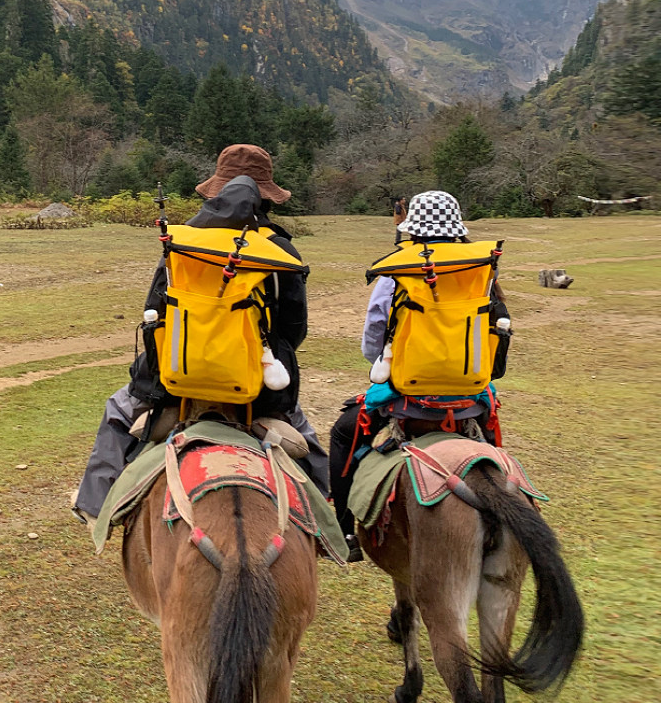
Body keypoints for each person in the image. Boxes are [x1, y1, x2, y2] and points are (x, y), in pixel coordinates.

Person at [72, 144, 329, 527]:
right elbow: (294, 330)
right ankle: (333, 518)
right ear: (265, 198)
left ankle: (95, 509)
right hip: (260, 388)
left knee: (118, 412)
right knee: (304, 439)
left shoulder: (181, 243)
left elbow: (155, 313)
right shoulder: (280, 250)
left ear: (215, 193)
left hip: (176, 383)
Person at [329, 190, 510, 561]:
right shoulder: (480, 271)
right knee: (491, 440)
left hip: (407, 398)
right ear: (458, 228)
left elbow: (372, 344)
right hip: (469, 397)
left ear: (414, 229)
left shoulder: (396, 270)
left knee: (344, 432)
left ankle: (346, 529)